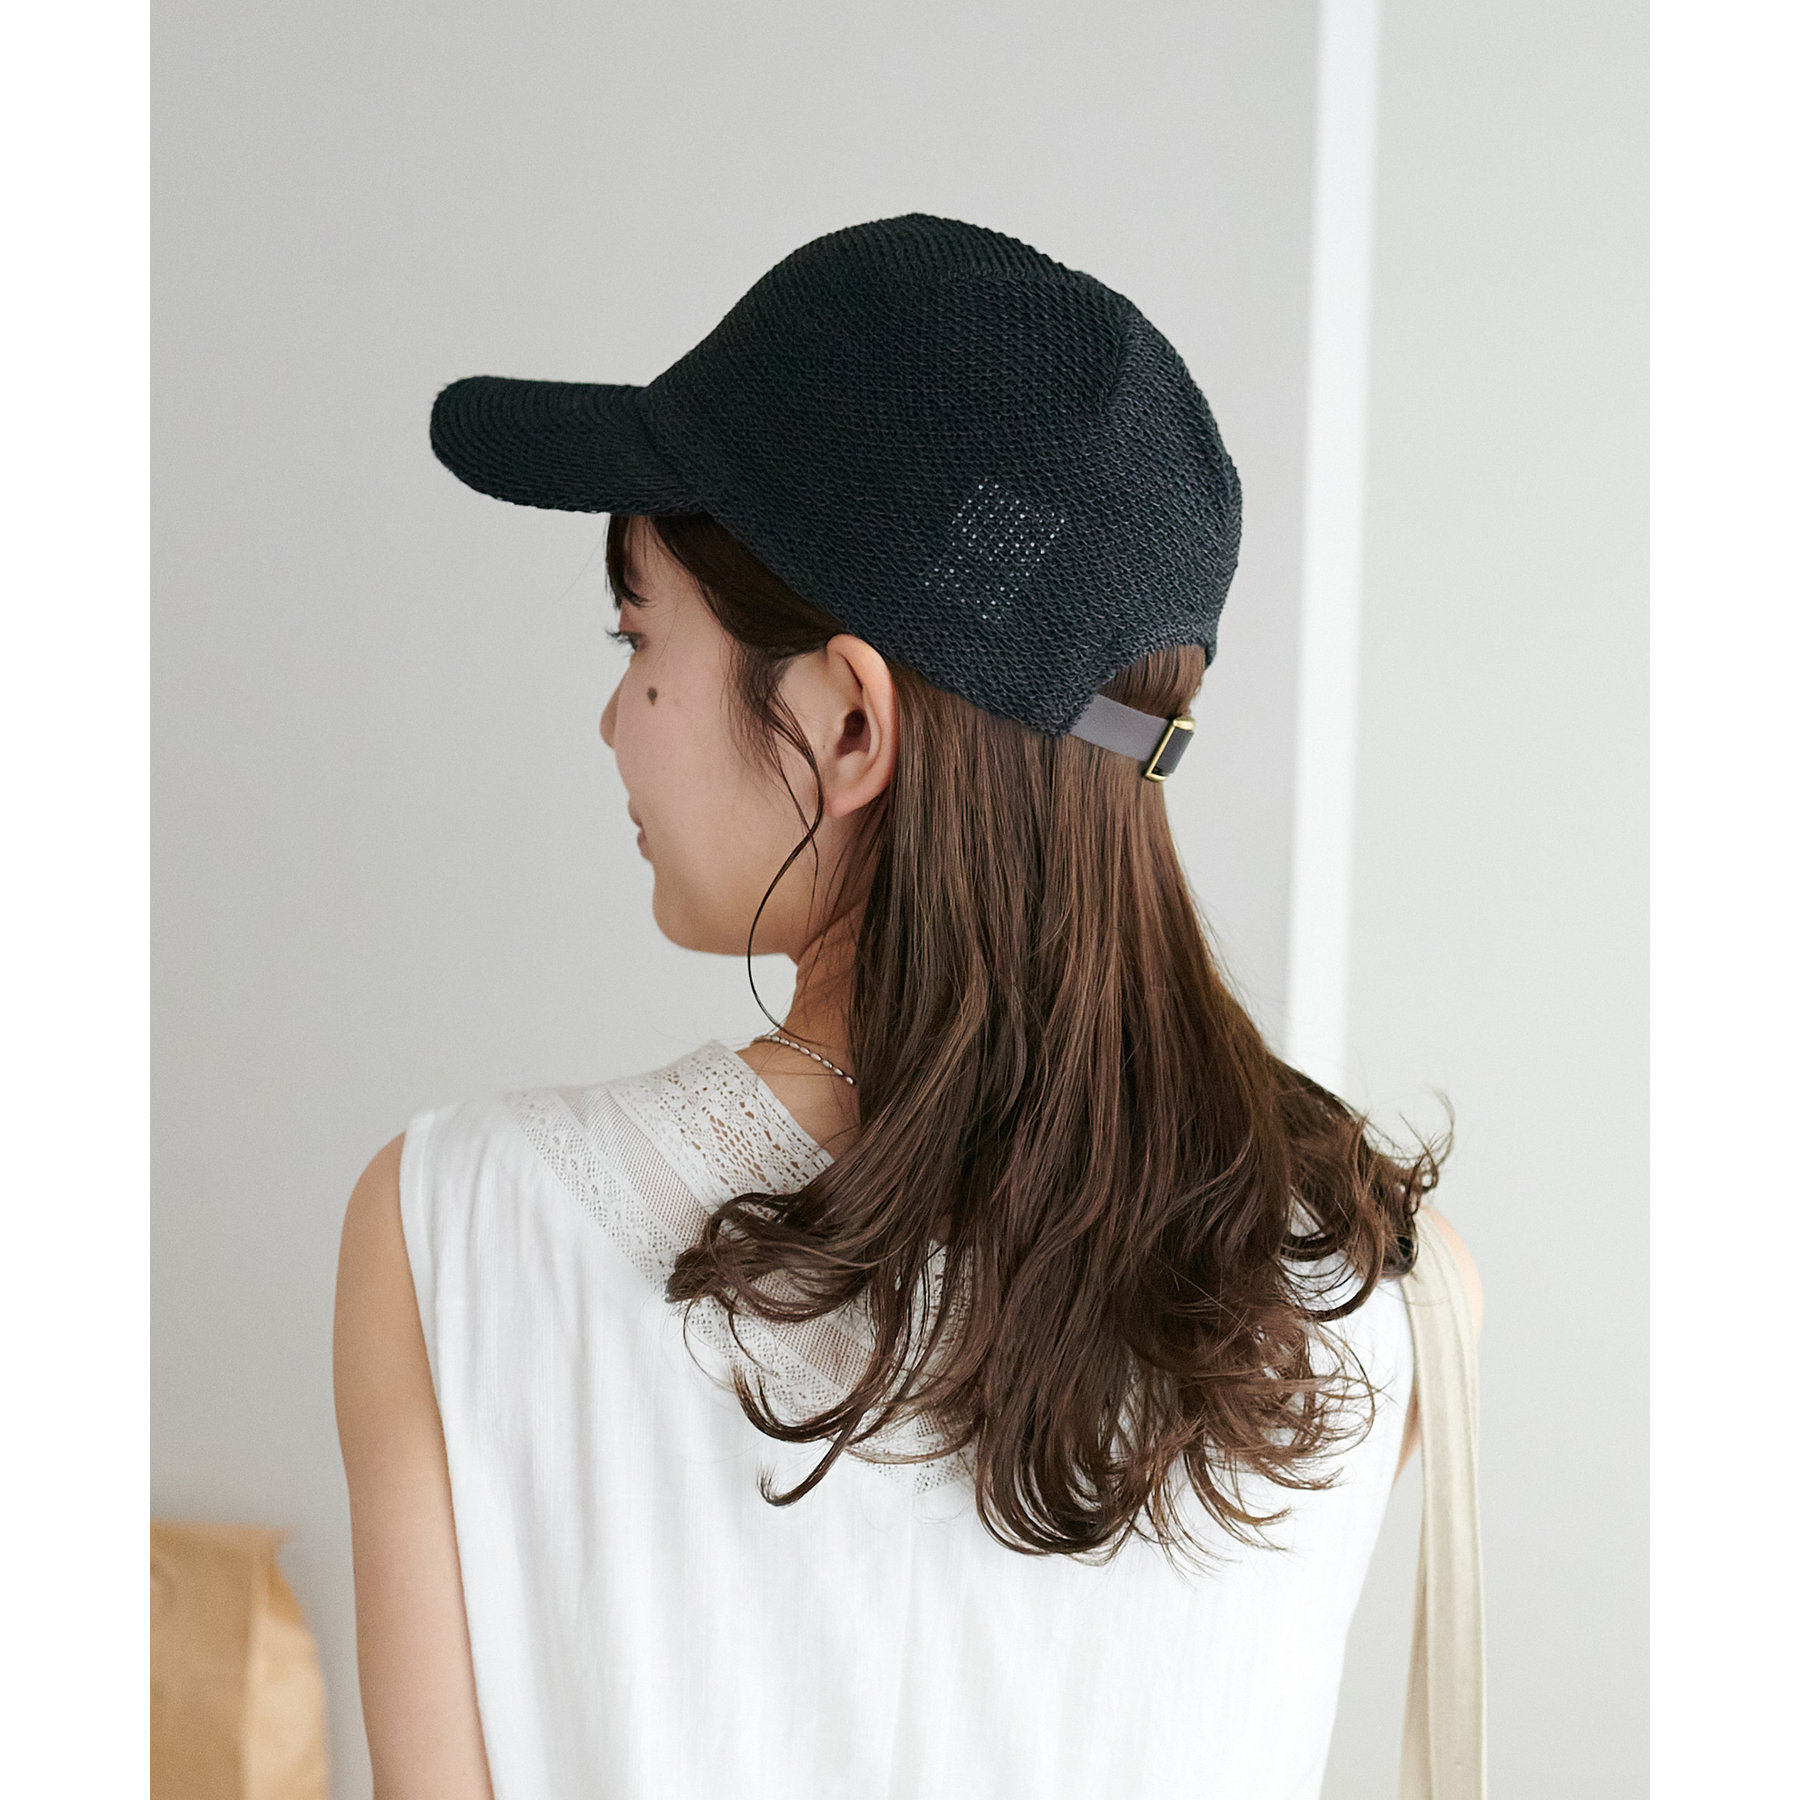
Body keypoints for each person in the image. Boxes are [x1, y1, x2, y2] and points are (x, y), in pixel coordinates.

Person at [334, 214, 1481, 1800]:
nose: (612, 719)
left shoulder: (455, 1236)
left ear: (849, 724)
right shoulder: (1381, 1295)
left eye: (637, 635)